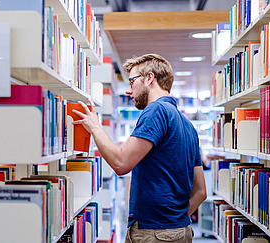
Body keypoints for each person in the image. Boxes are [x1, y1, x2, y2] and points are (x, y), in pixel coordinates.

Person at [72, 54, 207, 242]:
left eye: (132, 82)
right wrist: (175, 221)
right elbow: (201, 192)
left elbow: (121, 163)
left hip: (154, 233)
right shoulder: (187, 125)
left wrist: (95, 127)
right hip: (181, 230)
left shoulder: (156, 110)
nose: (128, 90)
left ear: (150, 78)